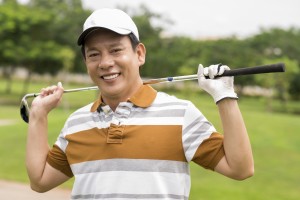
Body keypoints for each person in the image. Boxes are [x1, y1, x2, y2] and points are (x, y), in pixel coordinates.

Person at [26, 8, 254, 200]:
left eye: (116, 50)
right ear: (86, 62)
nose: (105, 62)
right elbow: (40, 181)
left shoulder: (180, 114)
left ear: (139, 54)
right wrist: (38, 116)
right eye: (94, 54)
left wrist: (225, 97)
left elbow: (240, 168)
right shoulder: (77, 122)